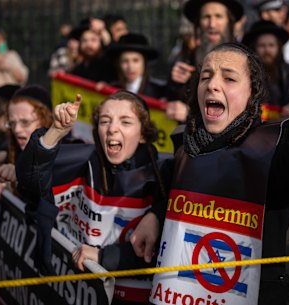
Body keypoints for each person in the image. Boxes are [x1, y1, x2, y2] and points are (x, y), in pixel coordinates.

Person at [131, 42, 289, 305]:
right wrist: (155, 214)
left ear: (252, 92)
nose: (212, 85)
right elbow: (170, 189)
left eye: (229, 78)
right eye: (205, 77)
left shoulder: (269, 149)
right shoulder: (186, 145)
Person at [16, 90, 172, 305]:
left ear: (143, 133)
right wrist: (56, 131)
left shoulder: (164, 174)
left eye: (125, 122)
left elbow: (168, 251)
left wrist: (103, 257)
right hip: (75, 292)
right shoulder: (84, 160)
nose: (112, 129)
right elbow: (29, 181)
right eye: (104, 121)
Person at [0, 85, 53, 199]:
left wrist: (20, 178)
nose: (17, 130)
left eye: (25, 122)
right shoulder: (14, 151)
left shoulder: (64, 156)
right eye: (12, 123)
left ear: (46, 120)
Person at [166, 0, 244, 102]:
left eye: (218, 16)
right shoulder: (186, 58)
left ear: (229, 21)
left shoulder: (246, 58)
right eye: (206, 17)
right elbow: (171, 101)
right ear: (199, 23)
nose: (212, 24)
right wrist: (175, 84)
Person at [242, 20, 289, 113]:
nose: (267, 50)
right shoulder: (244, 75)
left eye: (271, 45)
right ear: (254, 48)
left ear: (278, 48)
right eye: (262, 45)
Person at [108, 33, 167, 99]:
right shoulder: (111, 90)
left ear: (144, 62)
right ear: (119, 64)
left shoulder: (159, 92)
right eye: (125, 61)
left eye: (135, 60)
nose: (130, 67)